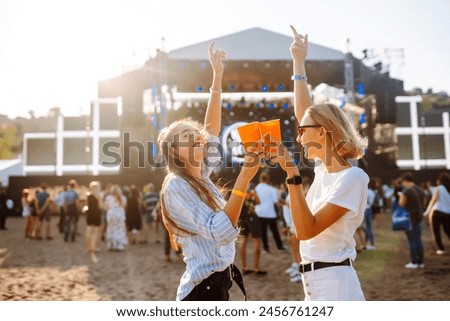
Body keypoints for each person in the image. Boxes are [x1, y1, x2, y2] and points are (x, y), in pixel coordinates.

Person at [270, 26, 369, 301]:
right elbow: (305, 113)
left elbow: (305, 230)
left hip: (335, 284)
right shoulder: (325, 168)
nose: (299, 138)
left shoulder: (352, 178)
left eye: (303, 132)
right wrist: (298, 64)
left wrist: (291, 173)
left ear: (323, 132)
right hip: (315, 281)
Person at [158, 42, 262, 301]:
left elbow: (212, 129)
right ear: (175, 153)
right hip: (201, 292)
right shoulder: (176, 185)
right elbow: (221, 231)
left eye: (194, 134)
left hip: (217, 284)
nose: (195, 136)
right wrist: (244, 178)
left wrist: (217, 76)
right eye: (185, 137)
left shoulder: (201, 175)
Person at [237, 183, 267, 275]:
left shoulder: (240, 190)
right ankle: (256, 269)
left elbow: (258, 202)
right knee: (257, 241)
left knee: (243, 242)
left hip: (241, 219)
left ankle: (244, 268)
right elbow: (258, 201)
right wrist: (253, 194)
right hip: (251, 218)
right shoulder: (249, 191)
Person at [399, 172, 426, 269]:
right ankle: (421, 262)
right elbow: (423, 204)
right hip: (419, 216)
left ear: (405, 180)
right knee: (418, 239)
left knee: (411, 240)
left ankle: (414, 262)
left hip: (409, 217)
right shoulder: (421, 190)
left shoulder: (406, 191)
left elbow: (402, 204)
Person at [254, 172, 286, 253]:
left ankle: (266, 248)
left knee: (263, 232)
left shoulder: (256, 189)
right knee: (275, 231)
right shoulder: (271, 189)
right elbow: (276, 201)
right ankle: (280, 246)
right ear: (267, 180)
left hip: (260, 213)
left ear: (260, 179)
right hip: (271, 213)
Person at [424, 172, 450, 255]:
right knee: (447, 230)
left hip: (437, 212)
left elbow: (433, 200)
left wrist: (427, 211)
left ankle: (441, 248)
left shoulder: (439, 188)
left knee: (436, 231)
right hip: (448, 213)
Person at [104, 184, 128, 251]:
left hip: (111, 215)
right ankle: (118, 245)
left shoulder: (108, 198)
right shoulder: (123, 197)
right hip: (120, 215)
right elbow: (124, 206)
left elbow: (106, 207)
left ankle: (111, 245)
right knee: (119, 229)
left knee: (111, 229)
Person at [85, 181, 103, 256]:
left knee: (89, 231)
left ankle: (89, 247)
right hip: (96, 214)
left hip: (89, 214)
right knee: (95, 232)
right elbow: (100, 206)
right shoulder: (99, 196)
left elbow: (86, 205)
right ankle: (93, 247)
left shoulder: (88, 195)